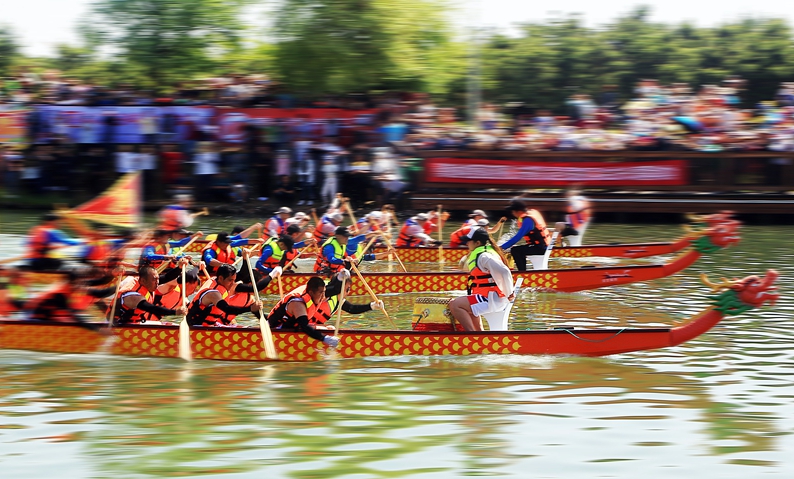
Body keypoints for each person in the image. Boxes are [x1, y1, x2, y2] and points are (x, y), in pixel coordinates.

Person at [448, 229, 515, 331]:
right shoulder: (482, 254)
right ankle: (479, 334)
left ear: (477, 243)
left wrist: (509, 293)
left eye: (469, 241)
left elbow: (505, 271)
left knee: (455, 305)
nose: (466, 243)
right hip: (488, 297)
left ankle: (472, 335)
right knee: (466, 305)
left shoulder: (484, 256)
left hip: (491, 299)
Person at [266, 276, 339, 347]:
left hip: (295, 325)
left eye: (324, 292)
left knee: (330, 328)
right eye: (321, 293)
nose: (323, 296)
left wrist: (339, 279)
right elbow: (304, 326)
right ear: (311, 293)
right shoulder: (297, 303)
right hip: (278, 329)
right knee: (324, 330)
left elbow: (335, 289)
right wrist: (324, 338)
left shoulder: (312, 291)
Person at [185, 264, 264, 327]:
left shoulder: (216, 280)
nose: (233, 284)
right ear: (221, 278)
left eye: (234, 280)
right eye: (230, 280)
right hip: (197, 326)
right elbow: (227, 309)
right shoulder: (213, 294)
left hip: (210, 325)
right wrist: (250, 308)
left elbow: (242, 273)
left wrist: (245, 259)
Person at [111, 265, 188, 326]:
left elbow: (166, 277)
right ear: (143, 280)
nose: (157, 282)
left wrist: (179, 267)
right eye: (154, 279)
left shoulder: (147, 282)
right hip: (120, 324)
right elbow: (152, 308)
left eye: (158, 279)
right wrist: (175, 312)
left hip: (135, 322)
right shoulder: (133, 296)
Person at [309, 269, 385, 328]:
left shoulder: (339, 301)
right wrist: (340, 278)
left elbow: (352, 309)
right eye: (347, 289)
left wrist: (372, 306)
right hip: (304, 326)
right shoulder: (324, 294)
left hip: (312, 326)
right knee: (330, 328)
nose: (348, 292)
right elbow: (334, 288)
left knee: (330, 328)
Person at [499, 200, 554, 271]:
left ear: (518, 211)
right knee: (516, 248)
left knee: (515, 251)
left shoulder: (528, 220)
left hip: (541, 248)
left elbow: (517, 237)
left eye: (513, 211)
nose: (512, 213)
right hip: (544, 246)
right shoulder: (531, 214)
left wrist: (501, 248)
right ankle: (523, 271)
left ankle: (522, 272)